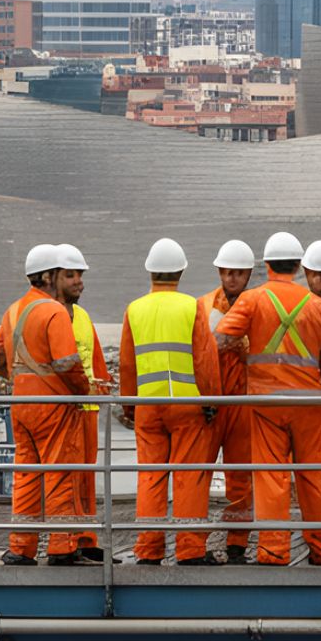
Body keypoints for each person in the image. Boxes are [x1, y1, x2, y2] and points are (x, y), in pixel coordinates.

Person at [215, 231, 321, 565]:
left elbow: (221, 337)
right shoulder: (316, 305)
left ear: (267, 264)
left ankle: (273, 551)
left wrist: (245, 350)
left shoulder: (253, 300)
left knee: (271, 476)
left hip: (266, 404)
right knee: (314, 476)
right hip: (309, 405)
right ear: (300, 265)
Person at [120, 238, 222, 565]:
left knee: (150, 476)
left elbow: (126, 364)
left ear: (150, 271)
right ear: (181, 271)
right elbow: (205, 359)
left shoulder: (134, 309)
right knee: (188, 474)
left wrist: (128, 406)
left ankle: (148, 550)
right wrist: (211, 401)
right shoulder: (192, 307)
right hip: (186, 405)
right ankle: (190, 549)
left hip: (148, 407)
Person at [0, 245, 92, 564]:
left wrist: (17, 377)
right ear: (49, 277)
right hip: (53, 406)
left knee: (27, 475)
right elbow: (66, 362)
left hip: (22, 404)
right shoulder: (54, 312)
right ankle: (62, 546)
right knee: (60, 473)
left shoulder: (13, 310)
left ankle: (21, 547)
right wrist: (84, 390)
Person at [52, 244, 111, 562]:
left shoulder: (83, 316)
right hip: (64, 411)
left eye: (80, 275)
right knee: (68, 478)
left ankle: (87, 540)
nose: (79, 281)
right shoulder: (49, 314)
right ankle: (68, 541)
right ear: (54, 277)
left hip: (87, 410)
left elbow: (95, 359)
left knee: (87, 478)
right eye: (71, 275)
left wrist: (105, 389)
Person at [200, 239, 258, 562]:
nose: (233, 278)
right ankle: (192, 542)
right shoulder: (204, 305)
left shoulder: (258, 306)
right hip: (211, 401)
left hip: (243, 402)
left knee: (241, 477)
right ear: (220, 271)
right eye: (228, 272)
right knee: (199, 473)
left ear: (248, 273)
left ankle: (237, 542)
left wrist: (245, 348)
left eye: (239, 272)